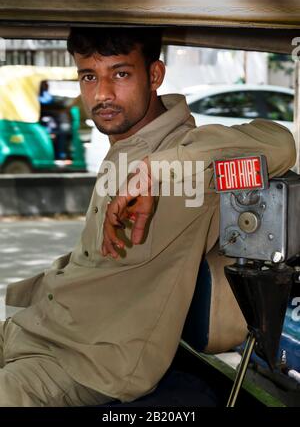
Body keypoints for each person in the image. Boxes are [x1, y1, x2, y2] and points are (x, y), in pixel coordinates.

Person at [0, 27, 296, 407]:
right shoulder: (123, 146)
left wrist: (156, 170)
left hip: (87, 362)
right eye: (90, 76)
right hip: (36, 329)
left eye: (120, 74)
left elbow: (280, 143)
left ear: (154, 76)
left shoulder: (188, 162)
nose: (102, 94)